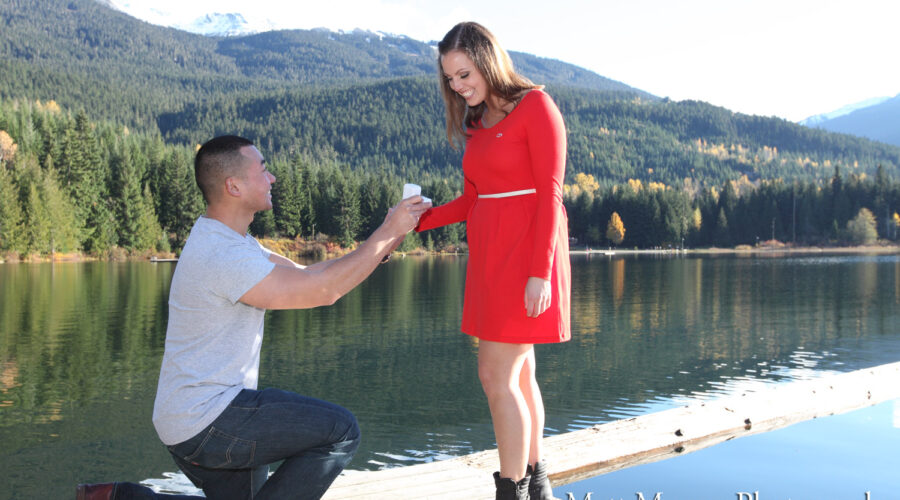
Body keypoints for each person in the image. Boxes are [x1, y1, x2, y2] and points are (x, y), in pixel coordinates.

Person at [76, 135, 430, 500]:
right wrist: (386, 232)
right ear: (234, 186)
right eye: (263, 169)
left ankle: (115, 497)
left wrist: (387, 240)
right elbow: (322, 292)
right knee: (340, 431)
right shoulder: (222, 254)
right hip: (208, 419)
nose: (272, 178)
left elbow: (309, 276)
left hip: (195, 416)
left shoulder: (233, 241)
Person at [416, 22, 571, 500]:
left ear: (487, 59)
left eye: (464, 74)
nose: (459, 86)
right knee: (520, 373)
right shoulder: (475, 124)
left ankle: (512, 489)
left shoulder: (536, 107)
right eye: (451, 80)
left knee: (494, 374)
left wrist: (538, 272)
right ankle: (536, 479)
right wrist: (417, 221)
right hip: (489, 256)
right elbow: (472, 200)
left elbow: (549, 193)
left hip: (528, 253)